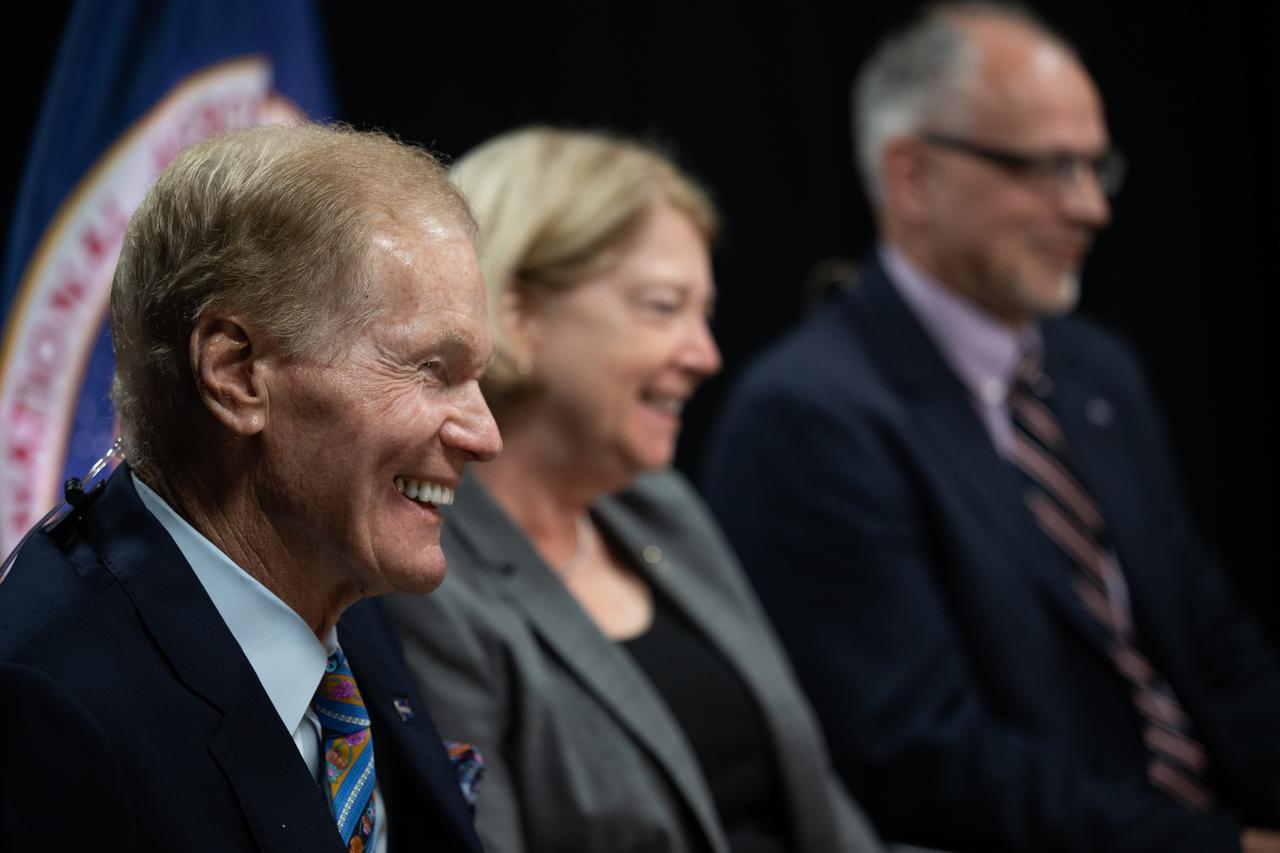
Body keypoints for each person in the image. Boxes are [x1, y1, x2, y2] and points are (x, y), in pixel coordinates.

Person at [702, 4, 1280, 852]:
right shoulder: (809, 415)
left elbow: (1211, 644)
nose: (1090, 208)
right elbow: (922, 758)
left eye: (1095, 168)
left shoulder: (1097, 371)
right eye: (1049, 168)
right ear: (912, 178)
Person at [0, 123, 501, 852]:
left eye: (478, 377)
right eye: (432, 368)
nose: (485, 434)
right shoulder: (47, 711)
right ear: (237, 374)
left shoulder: (335, 578)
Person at [383, 126, 886, 853]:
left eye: (703, 313)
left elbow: (816, 801)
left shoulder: (661, 506)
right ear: (518, 313)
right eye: (662, 307)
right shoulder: (423, 571)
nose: (706, 355)